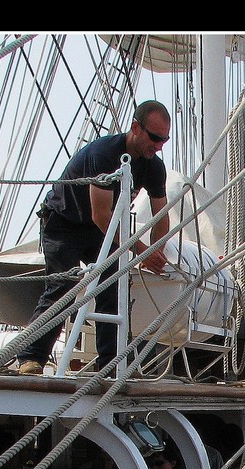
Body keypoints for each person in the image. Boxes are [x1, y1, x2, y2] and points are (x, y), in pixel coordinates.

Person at [16, 101, 172, 375]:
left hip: (99, 231)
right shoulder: (103, 154)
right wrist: (142, 251)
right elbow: (102, 216)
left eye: (164, 140)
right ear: (136, 128)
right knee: (62, 287)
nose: (158, 146)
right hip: (64, 221)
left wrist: (158, 250)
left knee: (113, 287)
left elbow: (161, 216)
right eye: (155, 138)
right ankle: (31, 357)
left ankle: (112, 364)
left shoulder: (153, 167)